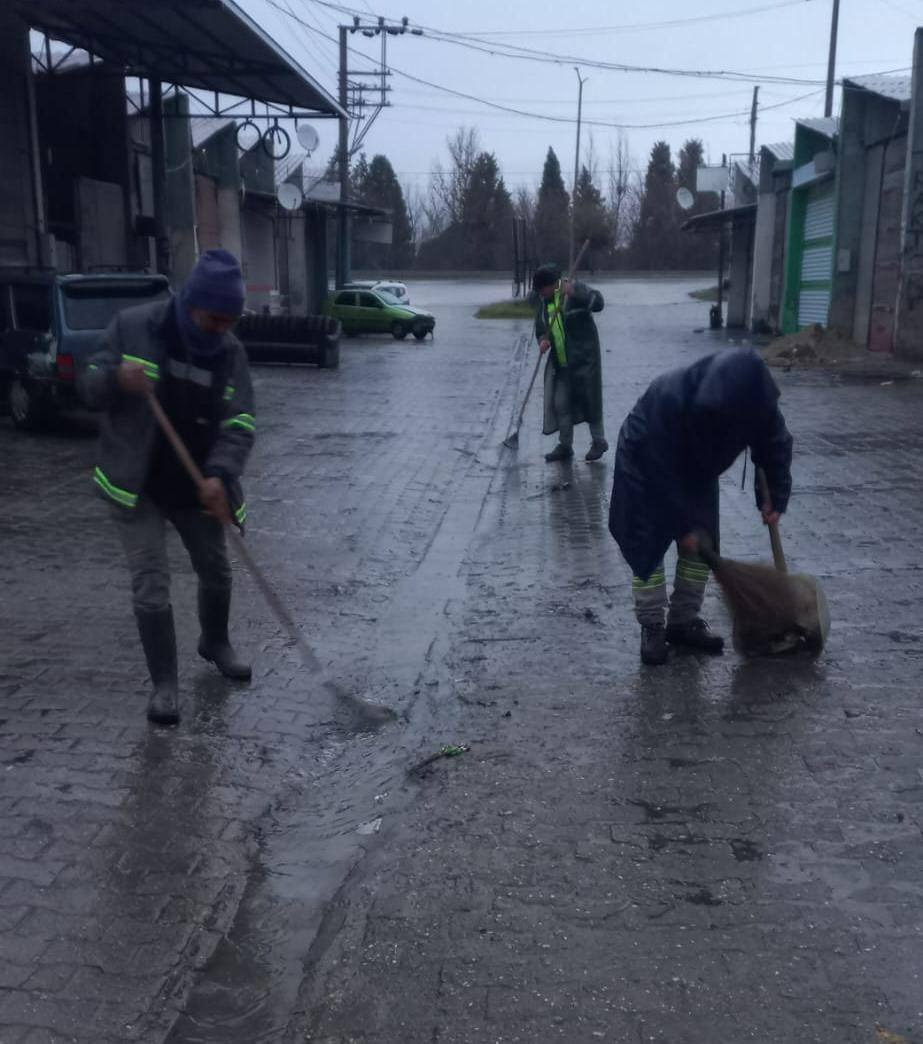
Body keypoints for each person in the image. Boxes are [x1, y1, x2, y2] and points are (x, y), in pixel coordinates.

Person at [80, 249, 255, 725]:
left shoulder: (230, 353)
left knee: (217, 570)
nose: (221, 328)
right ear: (192, 303)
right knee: (152, 585)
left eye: (230, 320)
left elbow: (239, 421)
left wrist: (220, 474)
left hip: (197, 482)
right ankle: (165, 686)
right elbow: (88, 386)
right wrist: (117, 378)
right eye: (215, 318)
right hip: (136, 484)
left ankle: (214, 642)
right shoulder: (135, 327)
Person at [608, 347, 793, 666]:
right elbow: (660, 472)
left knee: (703, 545)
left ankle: (683, 622)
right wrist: (682, 525)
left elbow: (775, 444)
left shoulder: (756, 402)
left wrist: (775, 497)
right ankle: (652, 625)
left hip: (697, 469)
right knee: (648, 543)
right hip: (644, 462)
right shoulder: (673, 401)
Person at [532, 264, 608, 463]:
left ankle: (599, 441)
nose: (541, 293)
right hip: (561, 362)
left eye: (542, 289)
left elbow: (598, 302)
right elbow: (540, 326)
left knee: (591, 400)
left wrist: (574, 293)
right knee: (560, 404)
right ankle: (565, 445)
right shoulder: (545, 302)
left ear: (551, 284)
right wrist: (542, 340)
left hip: (584, 359)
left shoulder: (573, 290)